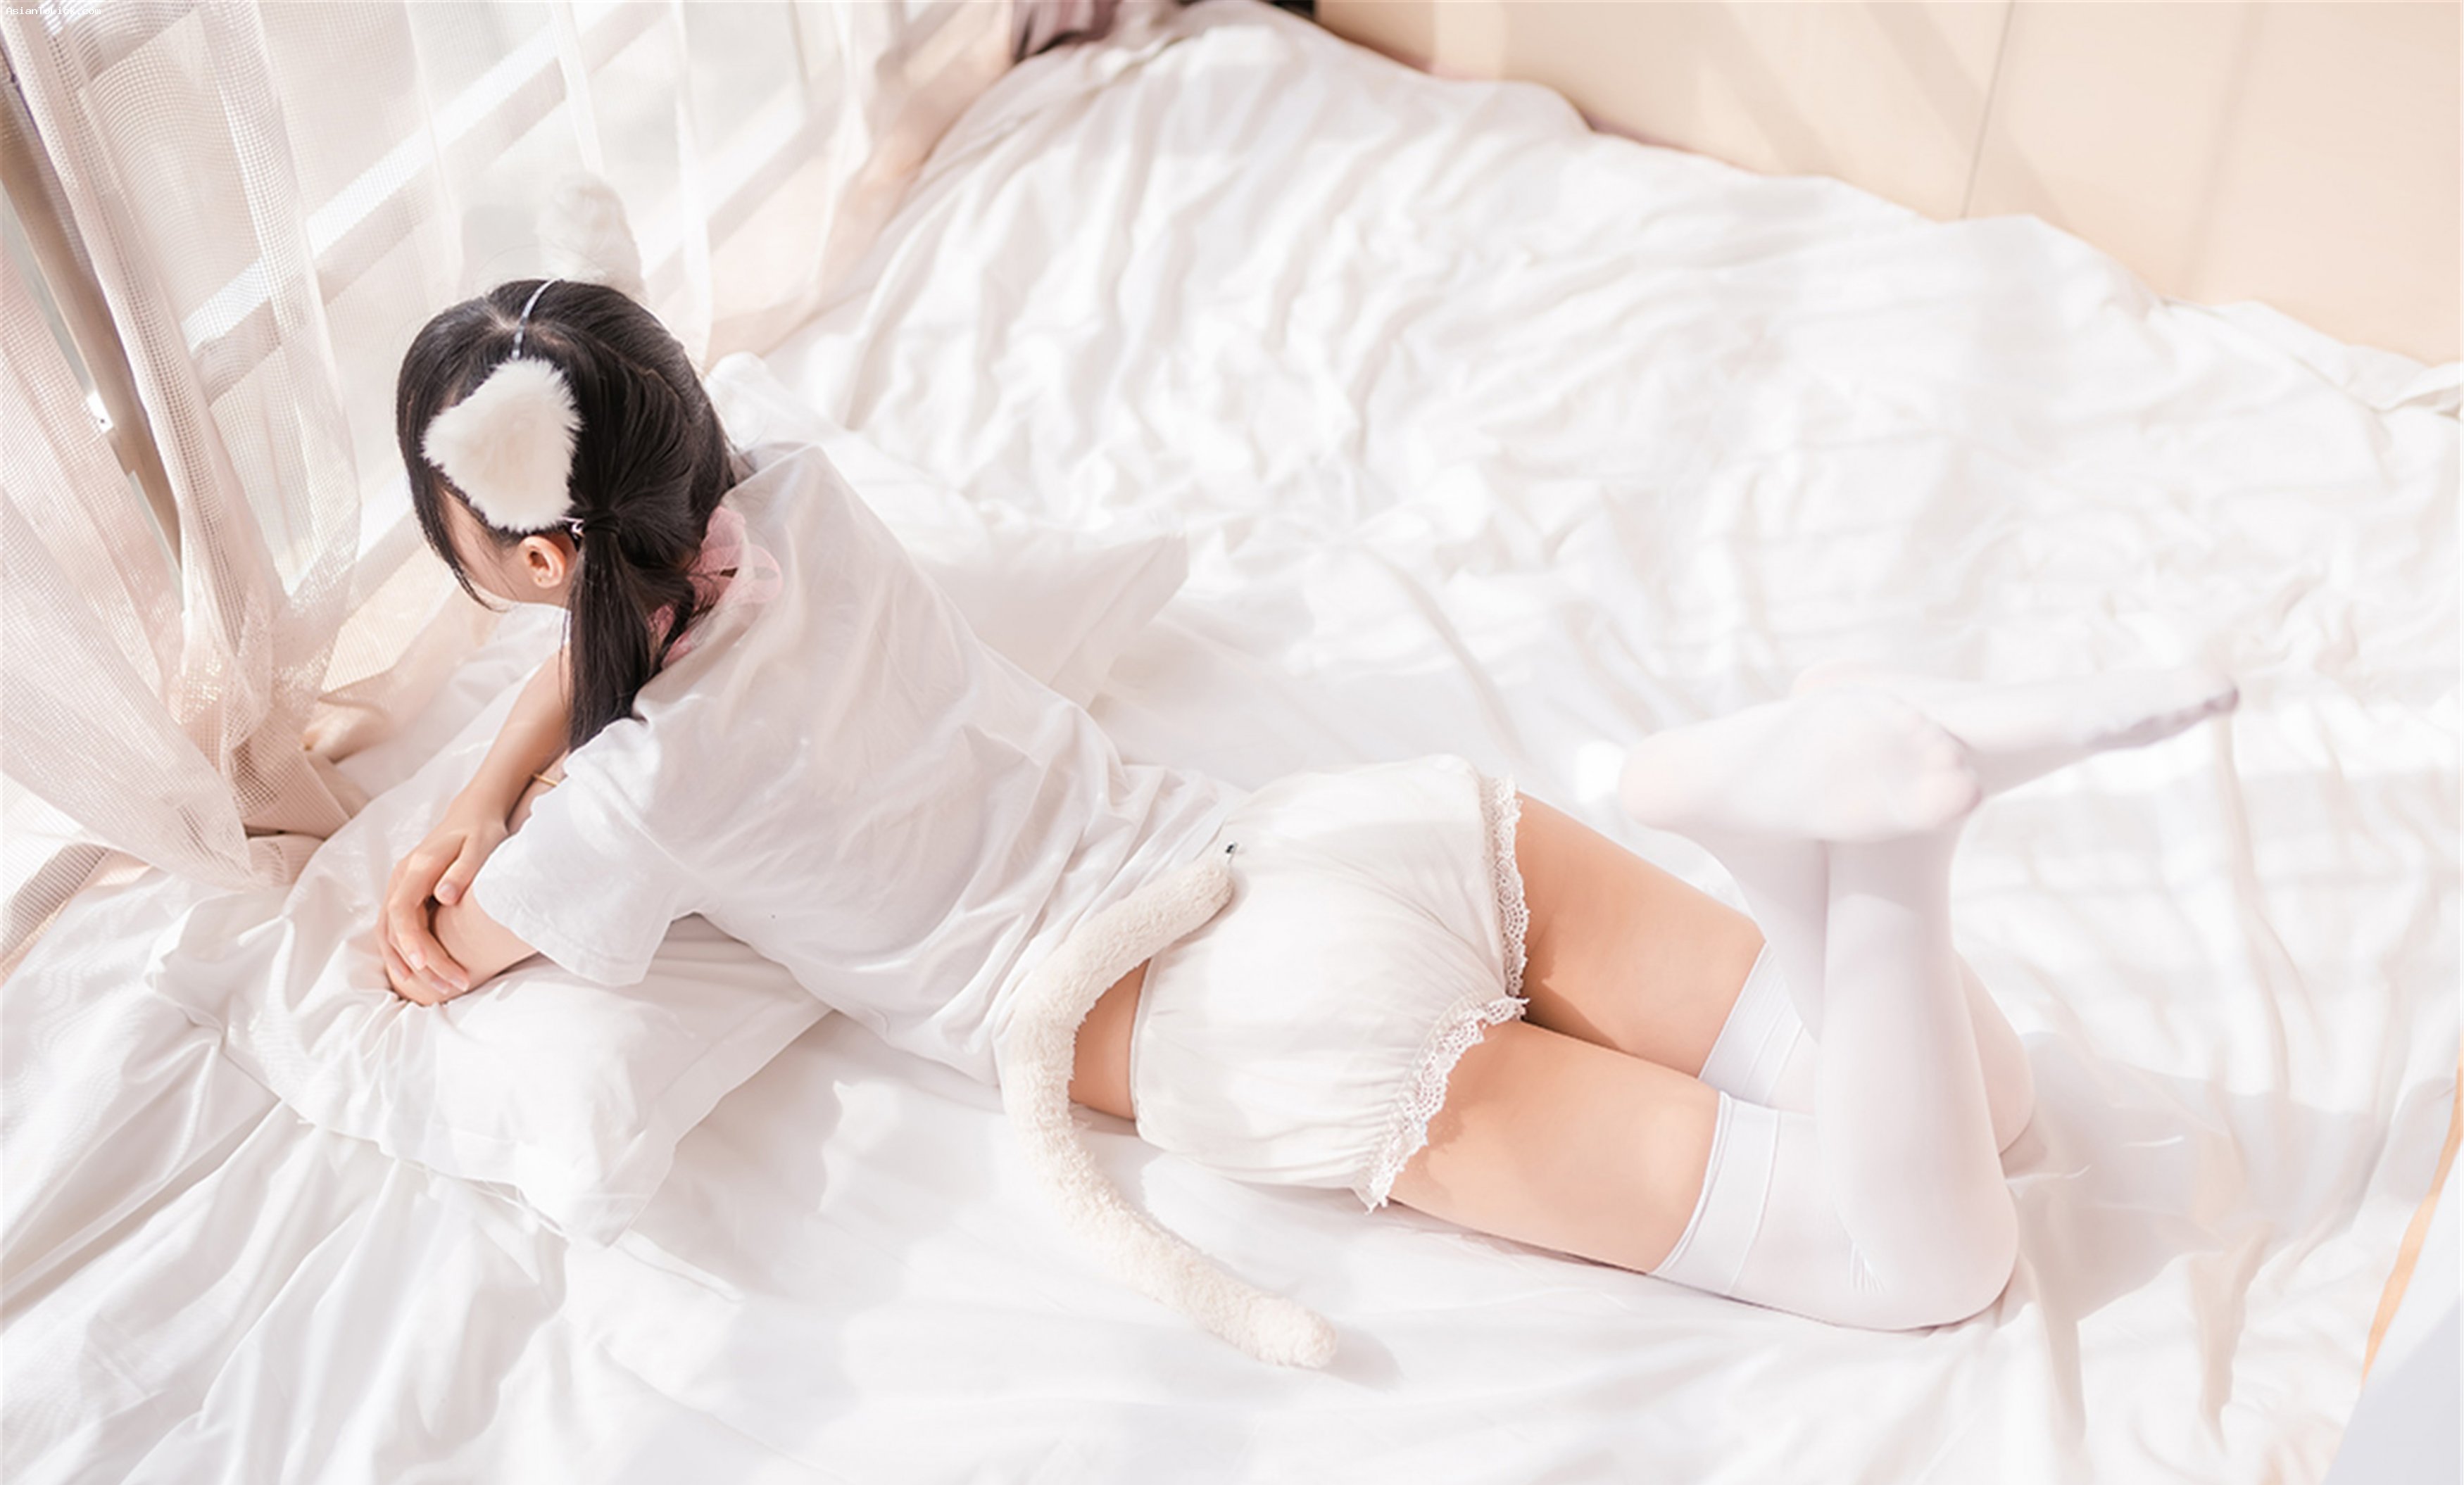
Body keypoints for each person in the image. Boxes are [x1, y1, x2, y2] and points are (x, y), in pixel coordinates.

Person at [382, 277, 2238, 1367]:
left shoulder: (636, 799)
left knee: (1923, 1260)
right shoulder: (804, 499)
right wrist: (527, 726)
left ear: (541, 564)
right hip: (1345, 834)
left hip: (1242, 1015)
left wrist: (460, 823)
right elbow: (645, 586)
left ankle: (1876, 857)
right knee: (1985, 1098)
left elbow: (447, 949)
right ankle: (1815, 838)